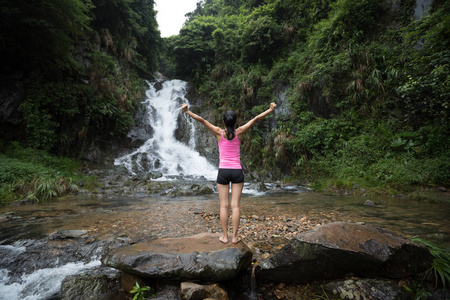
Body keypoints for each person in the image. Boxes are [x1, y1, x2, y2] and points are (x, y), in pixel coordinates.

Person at [181, 102, 277, 244]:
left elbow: (202, 120)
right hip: (237, 171)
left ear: (223, 122)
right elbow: (256, 118)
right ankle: (235, 237)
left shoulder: (218, 132)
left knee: (223, 205)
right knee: (235, 206)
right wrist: (270, 109)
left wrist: (187, 111)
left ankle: (225, 236)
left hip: (223, 172)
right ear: (236, 121)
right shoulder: (240, 131)